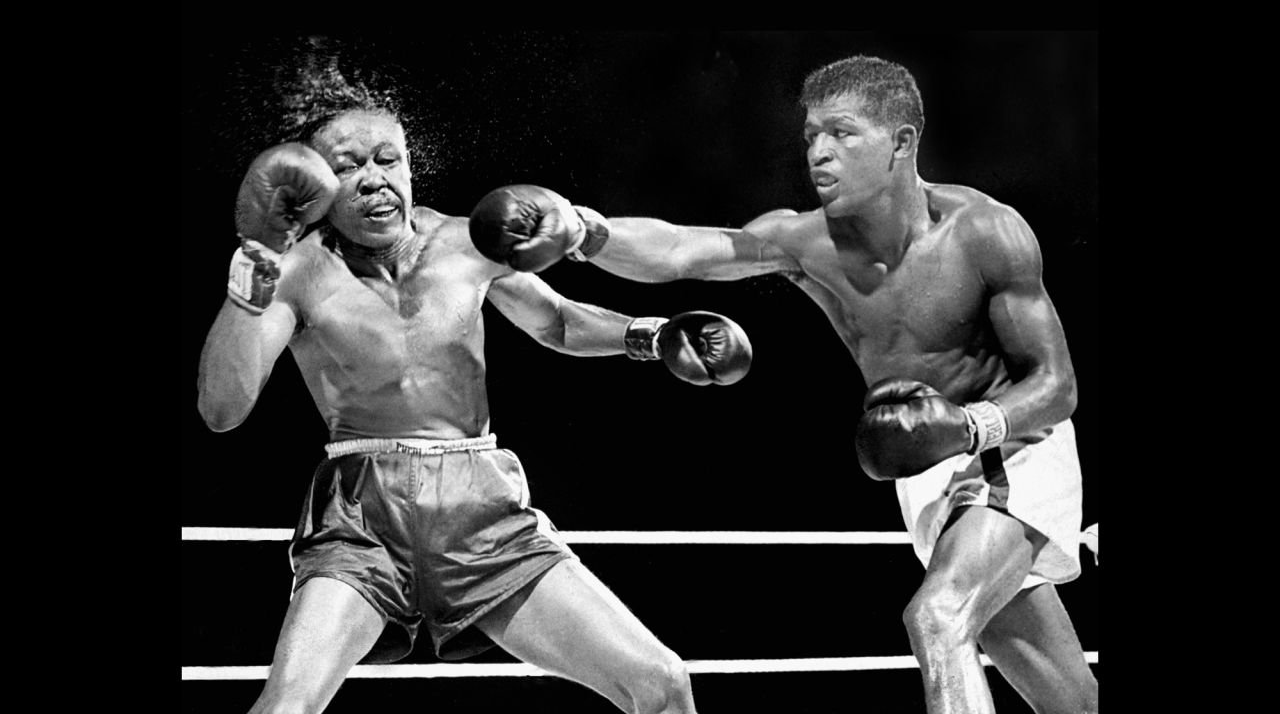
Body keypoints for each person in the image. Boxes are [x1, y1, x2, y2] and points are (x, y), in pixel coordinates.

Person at [475, 55, 1097, 714]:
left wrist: (970, 426)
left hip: (1009, 445)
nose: (819, 153)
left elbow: (1056, 384)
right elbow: (686, 251)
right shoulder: (807, 241)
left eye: (842, 133)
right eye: (811, 137)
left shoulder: (983, 231)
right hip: (925, 473)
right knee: (1069, 700)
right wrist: (582, 230)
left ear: (902, 142)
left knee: (939, 618)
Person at [195, 62, 755, 714]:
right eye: (349, 167)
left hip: (482, 511)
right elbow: (221, 410)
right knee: (286, 704)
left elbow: (558, 322)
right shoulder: (295, 272)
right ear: (314, 188)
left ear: (411, 165)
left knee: (661, 685)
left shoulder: (466, 241)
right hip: (361, 520)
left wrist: (649, 335)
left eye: (389, 159)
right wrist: (252, 276)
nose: (376, 179)